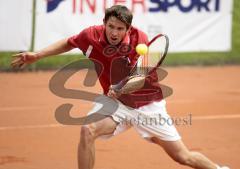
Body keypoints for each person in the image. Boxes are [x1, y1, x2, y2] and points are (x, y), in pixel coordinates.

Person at [11, 5, 229, 169]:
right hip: (116, 104)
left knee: (184, 157)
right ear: (103, 23)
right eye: (111, 26)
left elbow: (140, 79)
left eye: (120, 28)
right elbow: (70, 41)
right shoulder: (91, 35)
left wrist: (121, 88)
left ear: (128, 28)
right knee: (87, 130)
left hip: (147, 105)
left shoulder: (140, 41)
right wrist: (37, 55)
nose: (114, 32)